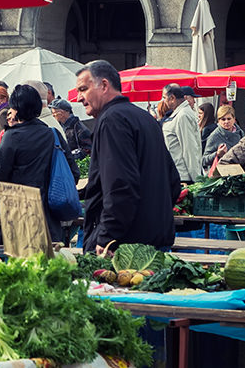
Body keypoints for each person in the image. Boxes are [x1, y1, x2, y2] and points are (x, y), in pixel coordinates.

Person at [75, 60, 181, 253]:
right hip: (155, 241)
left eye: (83, 89)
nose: (78, 98)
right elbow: (173, 181)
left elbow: (120, 185)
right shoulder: (145, 118)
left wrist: (107, 236)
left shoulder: (111, 121)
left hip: (125, 248)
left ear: (104, 85)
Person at [0, 85, 78, 243]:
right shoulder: (52, 134)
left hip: (19, 215)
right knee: (49, 264)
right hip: (50, 216)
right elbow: (74, 172)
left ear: (16, 108)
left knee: (22, 265)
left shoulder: (11, 137)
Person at [161, 84, 202, 183]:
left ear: (172, 98)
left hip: (183, 177)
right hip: (179, 174)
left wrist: (196, 180)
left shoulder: (183, 115)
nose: (163, 101)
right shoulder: (180, 114)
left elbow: (189, 149)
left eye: (164, 98)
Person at [202, 104, 245, 172]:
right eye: (223, 119)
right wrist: (217, 154)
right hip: (220, 174)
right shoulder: (214, 136)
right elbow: (204, 160)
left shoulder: (240, 133)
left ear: (234, 119)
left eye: (229, 119)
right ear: (219, 121)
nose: (226, 122)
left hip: (238, 172)